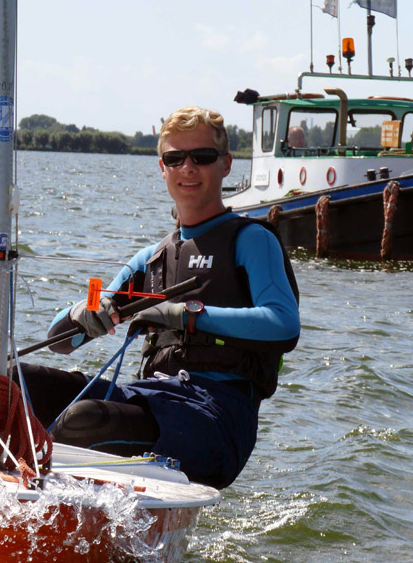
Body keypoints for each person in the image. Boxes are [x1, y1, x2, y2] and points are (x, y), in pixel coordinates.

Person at [16, 106, 300, 489]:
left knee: (85, 419)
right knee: (12, 383)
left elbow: (284, 325)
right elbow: (61, 342)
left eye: (201, 157)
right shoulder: (148, 260)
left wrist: (183, 314)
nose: (187, 167)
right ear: (162, 167)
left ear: (226, 164)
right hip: (151, 396)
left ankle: (52, 513)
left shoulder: (251, 241)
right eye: (174, 158)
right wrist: (85, 310)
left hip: (215, 417)